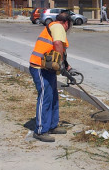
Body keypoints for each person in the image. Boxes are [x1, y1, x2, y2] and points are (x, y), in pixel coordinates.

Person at [29, 11, 75, 142]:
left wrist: (66, 65)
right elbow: (58, 45)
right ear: (67, 23)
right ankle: (40, 130)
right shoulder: (59, 27)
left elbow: (58, 50)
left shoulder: (55, 27)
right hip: (39, 67)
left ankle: (52, 125)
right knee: (45, 96)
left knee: (53, 96)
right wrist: (60, 63)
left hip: (47, 67)